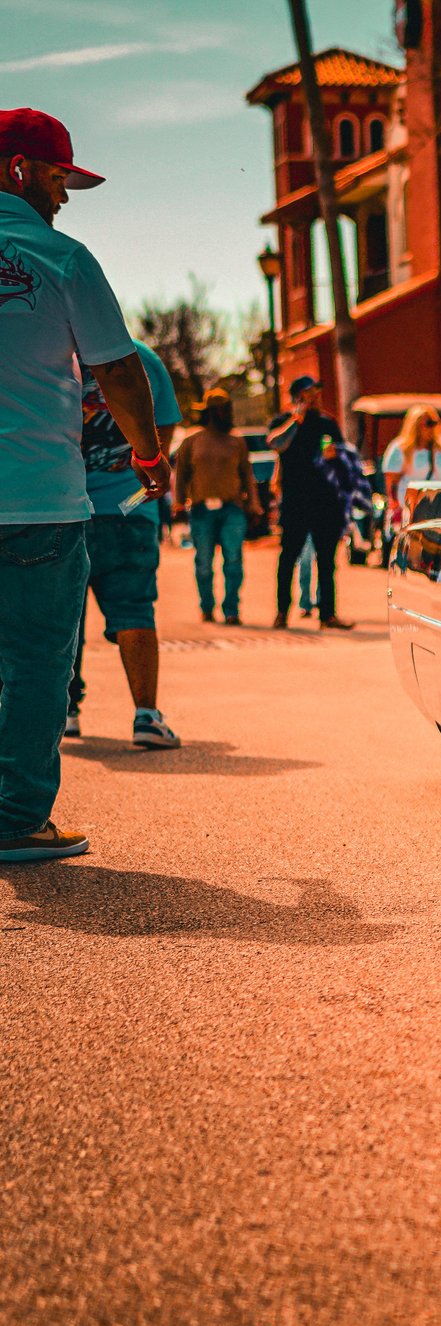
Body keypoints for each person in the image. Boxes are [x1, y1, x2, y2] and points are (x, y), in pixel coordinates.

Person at [0, 108, 168, 862]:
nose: (64, 196)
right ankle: (15, 820)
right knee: (38, 662)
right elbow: (120, 369)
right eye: (59, 178)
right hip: (39, 500)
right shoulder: (65, 259)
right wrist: (149, 456)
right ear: (19, 170)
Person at [69, 341, 183, 748]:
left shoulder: (51, 354)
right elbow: (163, 427)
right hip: (128, 506)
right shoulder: (141, 358)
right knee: (134, 608)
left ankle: (65, 711)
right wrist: (150, 470)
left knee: (64, 615)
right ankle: (147, 716)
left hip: (63, 509)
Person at [267, 374, 353, 629]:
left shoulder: (327, 424)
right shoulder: (283, 423)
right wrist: (297, 418)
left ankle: (327, 614)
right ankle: (282, 612)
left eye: (316, 394)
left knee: (326, 561)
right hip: (295, 502)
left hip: (325, 502)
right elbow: (275, 443)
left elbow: (344, 460)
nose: (315, 398)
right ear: (297, 396)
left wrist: (335, 457)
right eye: (309, 394)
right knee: (288, 558)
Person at [173, 388, 258, 625]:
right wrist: (178, 503)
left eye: (226, 409)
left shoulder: (236, 441)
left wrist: (253, 504)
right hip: (201, 510)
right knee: (203, 562)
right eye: (220, 410)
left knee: (233, 560)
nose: (224, 414)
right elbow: (181, 475)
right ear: (209, 412)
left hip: (232, 508)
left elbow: (247, 475)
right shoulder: (192, 441)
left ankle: (231, 609)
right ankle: (207, 607)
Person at [381, 405, 441, 517]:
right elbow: (392, 482)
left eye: (435, 423)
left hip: (440, 510)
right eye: (428, 423)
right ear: (416, 425)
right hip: (411, 511)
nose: (432, 428)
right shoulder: (401, 449)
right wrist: (396, 508)